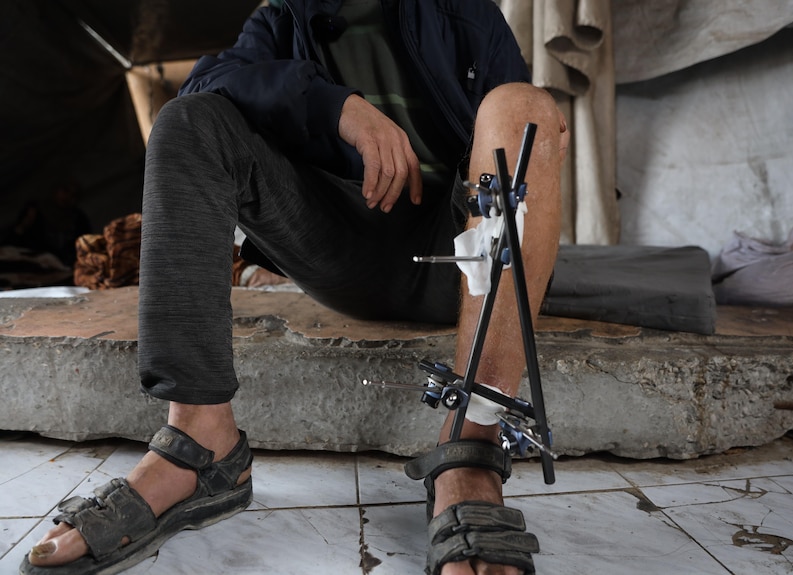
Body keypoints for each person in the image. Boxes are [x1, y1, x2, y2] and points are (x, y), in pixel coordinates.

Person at [22, 1, 568, 574]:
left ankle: (473, 446)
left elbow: (529, 153)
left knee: (523, 106)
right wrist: (339, 109)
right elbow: (207, 81)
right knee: (189, 121)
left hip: (454, 257)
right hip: (338, 247)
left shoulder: (462, 12)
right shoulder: (285, 17)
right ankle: (201, 440)